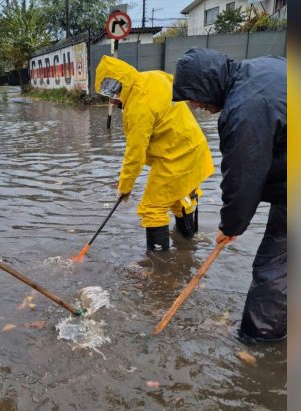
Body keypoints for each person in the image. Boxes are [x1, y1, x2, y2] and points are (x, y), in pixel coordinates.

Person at [173, 48, 287, 343]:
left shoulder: (244, 110)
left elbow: (243, 176)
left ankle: (259, 341)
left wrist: (230, 226)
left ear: (206, 85)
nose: (196, 106)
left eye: (194, 97)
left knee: (273, 267)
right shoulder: (260, 65)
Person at [94, 56, 214, 251]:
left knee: (152, 208)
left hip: (175, 158)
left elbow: (135, 154)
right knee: (180, 198)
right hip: (194, 147)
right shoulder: (153, 76)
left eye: (110, 93)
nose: (111, 100)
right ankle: (187, 246)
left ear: (117, 86)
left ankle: (160, 267)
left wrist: (125, 188)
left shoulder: (137, 107)